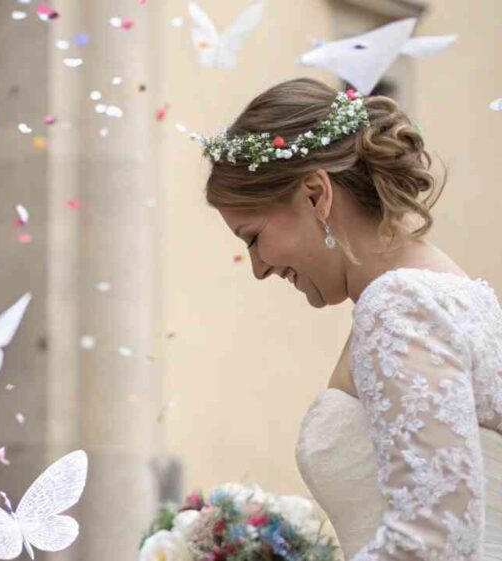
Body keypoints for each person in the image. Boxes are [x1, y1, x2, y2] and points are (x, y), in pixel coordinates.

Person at [199, 77, 502, 559]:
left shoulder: (400, 305)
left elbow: (433, 542)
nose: (258, 269)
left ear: (317, 194)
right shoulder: (442, 289)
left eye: (253, 237)